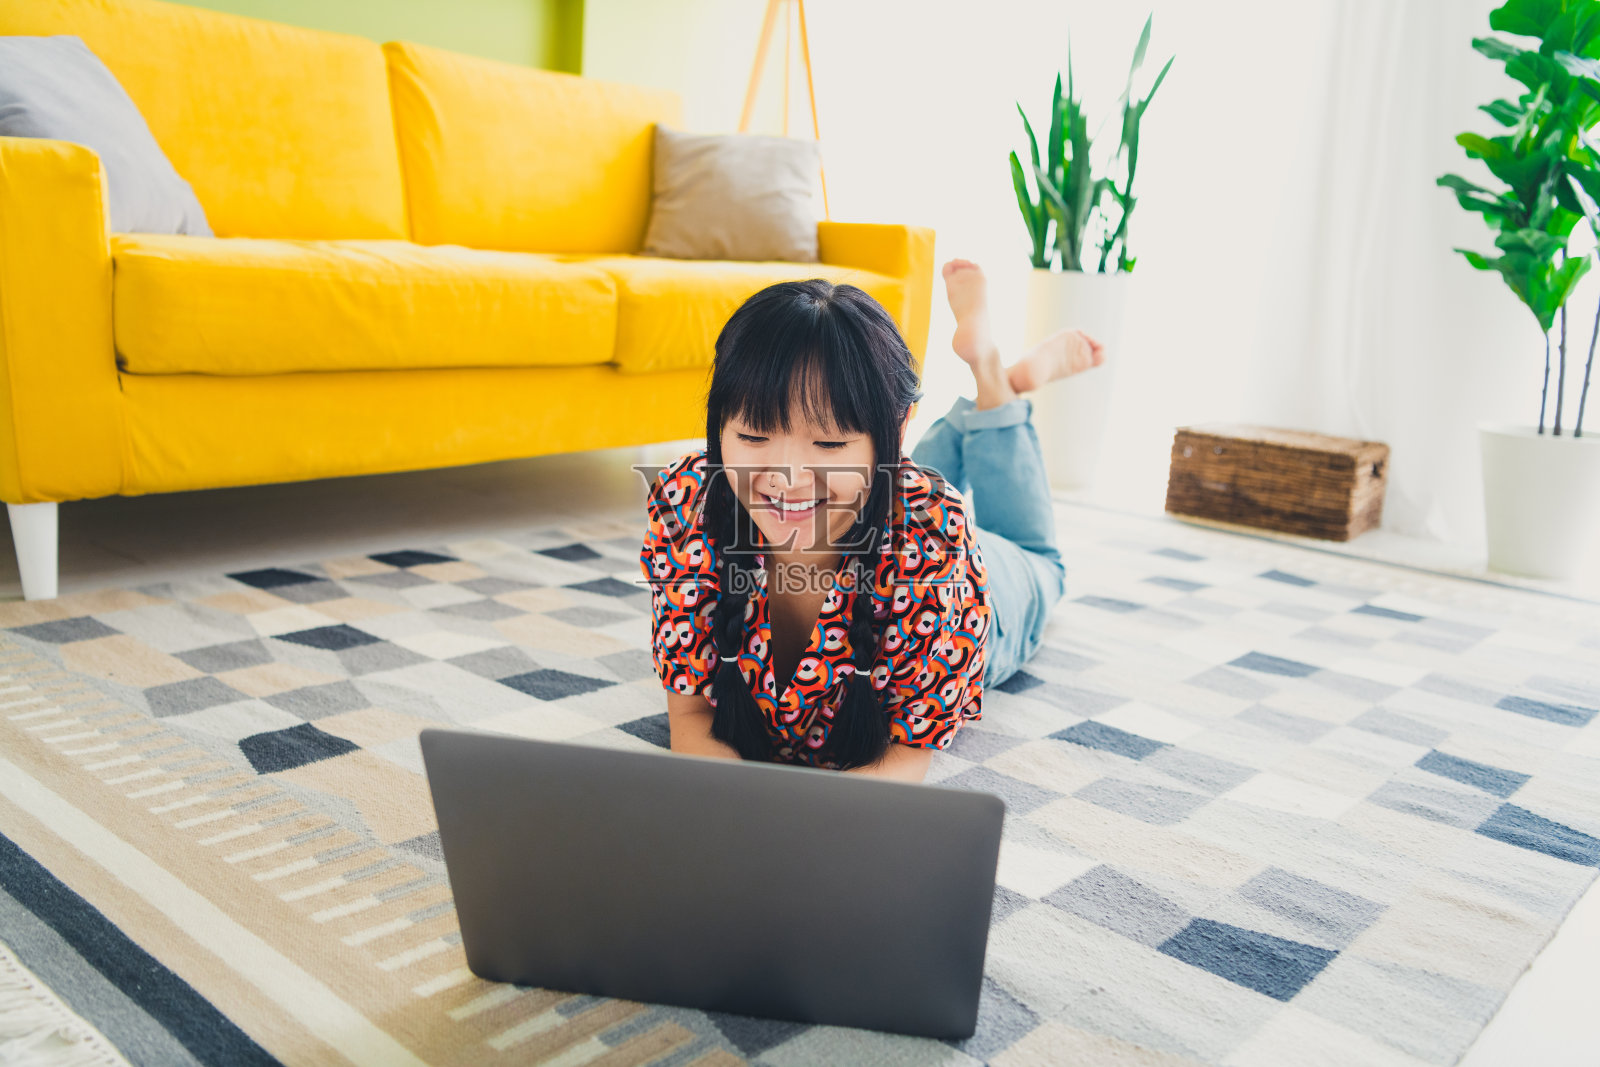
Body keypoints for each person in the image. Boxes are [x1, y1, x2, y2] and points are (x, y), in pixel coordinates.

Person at [638, 259, 1104, 783]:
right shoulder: (688, 500)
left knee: (1039, 558)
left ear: (898, 429)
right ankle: (997, 391)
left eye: (829, 442)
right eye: (752, 436)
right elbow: (691, 716)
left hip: (975, 587)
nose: (786, 478)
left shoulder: (935, 535)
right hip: (876, 499)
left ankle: (995, 380)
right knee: (880, 488)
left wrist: (810, 838)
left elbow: (907, 751)